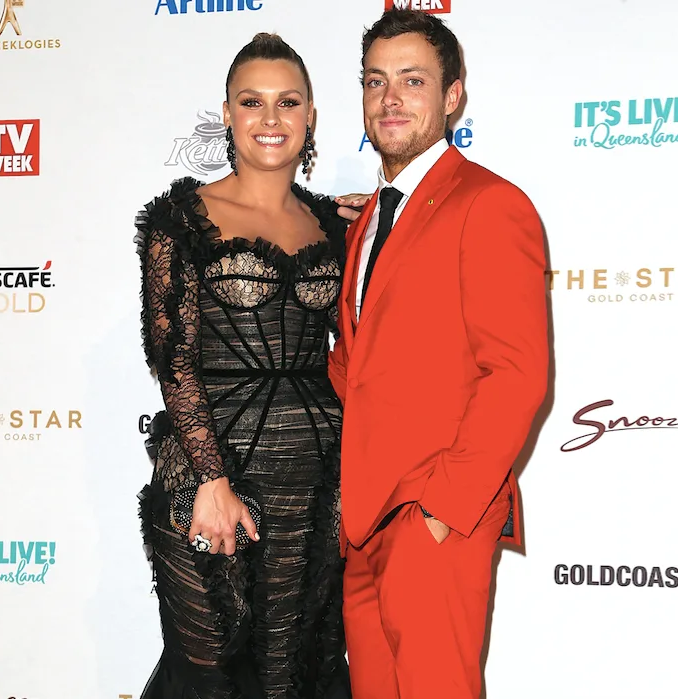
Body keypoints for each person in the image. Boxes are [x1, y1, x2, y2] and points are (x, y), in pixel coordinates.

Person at [329, 9, 549, 699]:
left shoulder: (490, 203)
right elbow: (359, 368)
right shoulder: (366, 220)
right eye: (375, 81)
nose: (390, 98)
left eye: (412, 80)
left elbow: (516, 373)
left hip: (434, 519)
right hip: (363, 525)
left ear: (453, 95)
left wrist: (441, 510)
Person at [136, 33, 353, 699]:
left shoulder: (334, 225)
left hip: (316, 478)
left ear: (310, 115)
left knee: (295, 671)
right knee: (210, 673)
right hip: (213, 467)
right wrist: (211, 478)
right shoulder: (183, 219)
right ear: (227, 113)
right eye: (251, 101)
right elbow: (173, 359)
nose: (270, 118)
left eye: (287, 101)